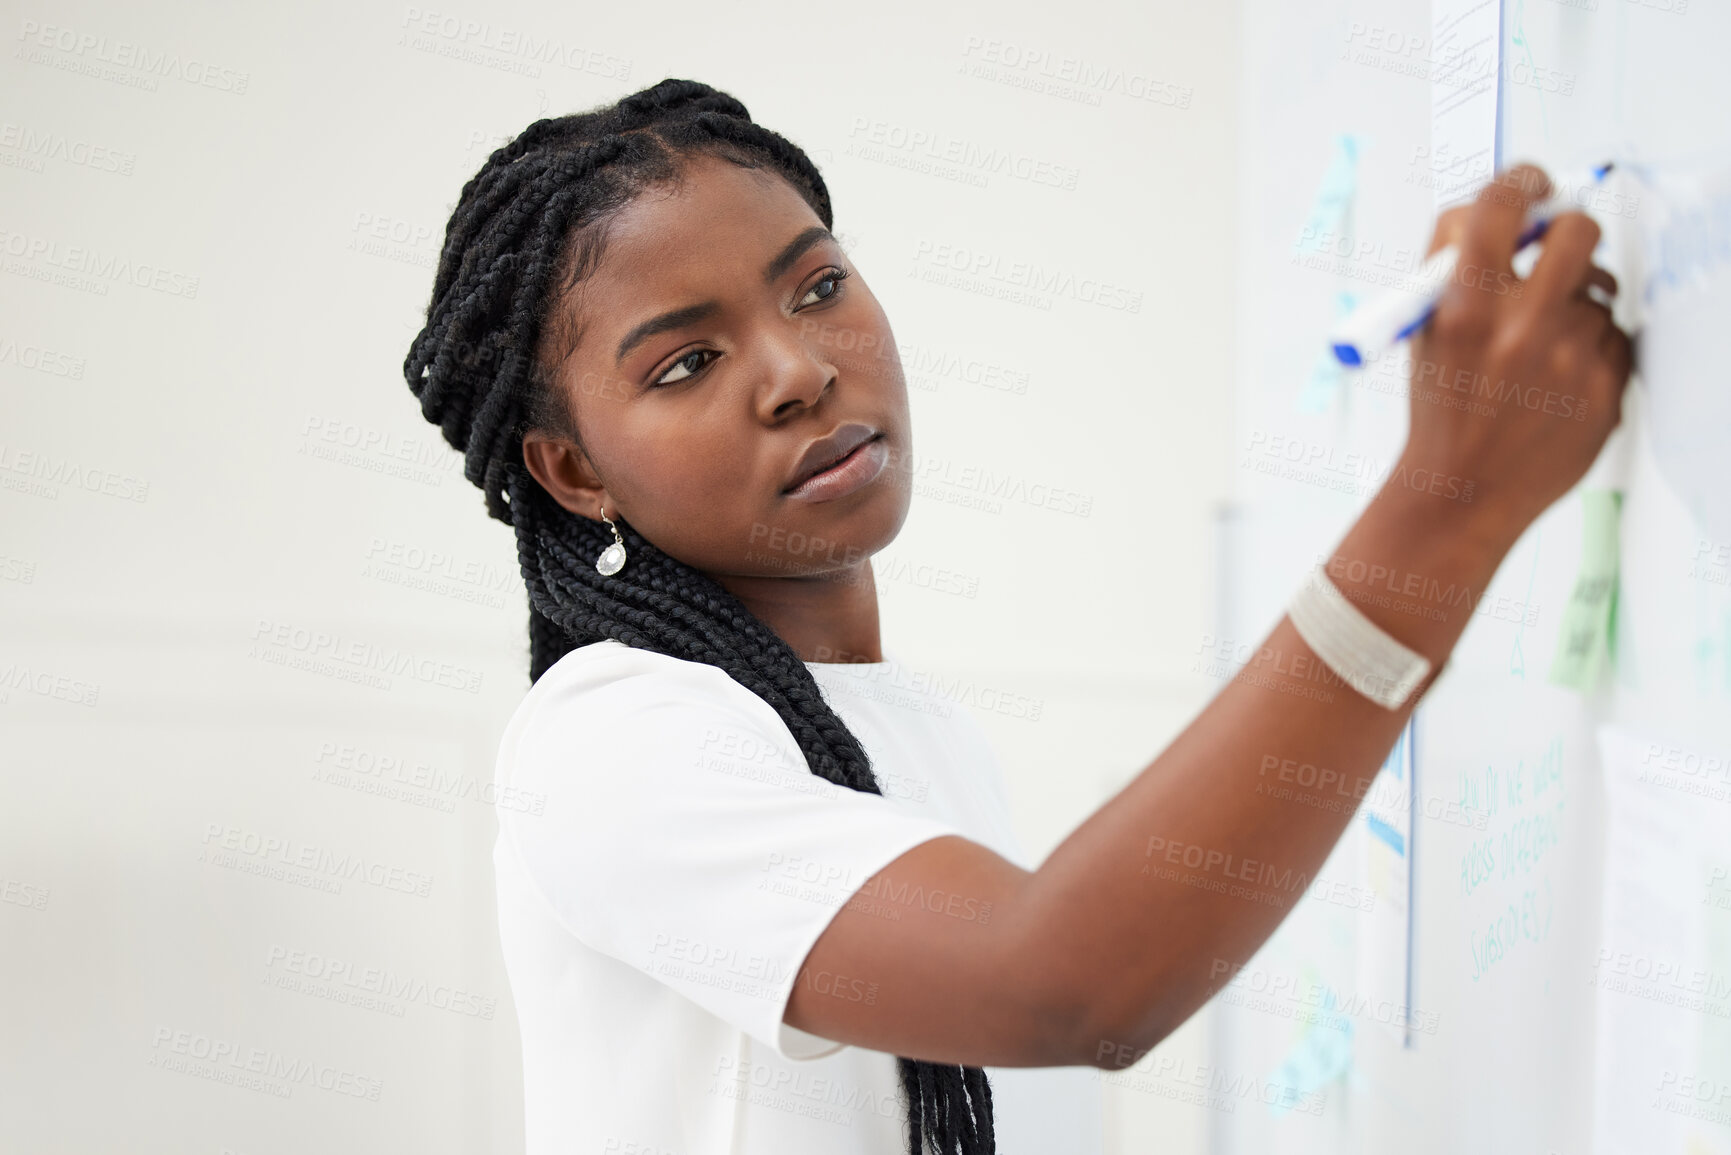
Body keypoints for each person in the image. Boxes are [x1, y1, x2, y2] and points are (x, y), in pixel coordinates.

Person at [401, 77, 1630, 1155]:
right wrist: (1441, 514)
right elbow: (1071, 988)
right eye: (684, 364)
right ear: (573, 472)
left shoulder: (912, 732)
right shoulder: (613, 739)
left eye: (817, 286)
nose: (798, 371)